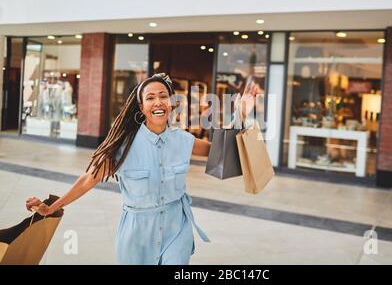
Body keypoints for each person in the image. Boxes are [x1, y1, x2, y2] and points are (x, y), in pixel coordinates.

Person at [25, 72, 258, 265]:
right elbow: (89, 178)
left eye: (163, 96)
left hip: (177, 227)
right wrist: (51, 208)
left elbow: (219, 149)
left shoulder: (184, 140)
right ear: (141, 106)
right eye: (150, 97)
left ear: (171, 103)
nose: (158, 102)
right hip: (137, 233)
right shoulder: (122, 147)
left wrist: (240, 114)